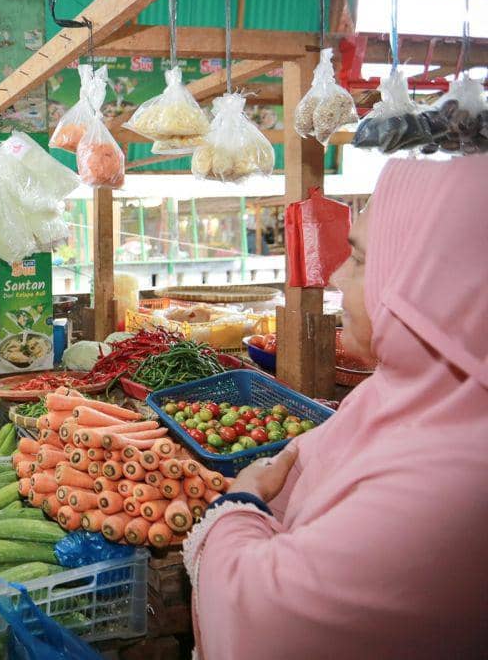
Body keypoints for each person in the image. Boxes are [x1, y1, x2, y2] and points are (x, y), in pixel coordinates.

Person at [183, 155, 488, 660]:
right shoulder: (396, 393)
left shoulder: (451, 483)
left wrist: (240, 504)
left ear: (434, 285)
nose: (337, 277)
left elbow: (265, 617)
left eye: (362, 260)